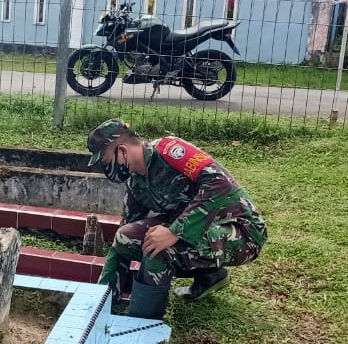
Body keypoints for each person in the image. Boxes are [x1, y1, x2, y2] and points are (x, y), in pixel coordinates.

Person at [87, 118, 267, 317]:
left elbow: (219, 183)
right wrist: (101, 303)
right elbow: (127, 237)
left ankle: (143, 321)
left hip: (240, 229)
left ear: (122, 151)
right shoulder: (135, 182)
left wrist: (175, 232)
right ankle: (106, 302)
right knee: (125, 237)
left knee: (159, 247)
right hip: (202, 231)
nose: (106, 168)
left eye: (105, 161)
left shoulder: (170, 150)